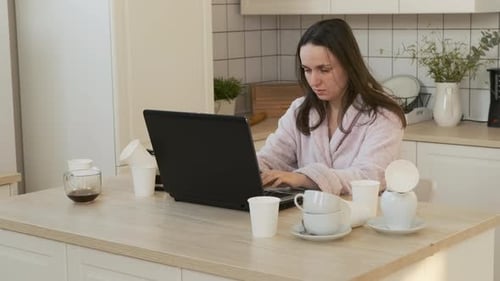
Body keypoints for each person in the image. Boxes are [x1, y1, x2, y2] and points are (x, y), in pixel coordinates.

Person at [257, 18, 407, 195]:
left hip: (363, 216)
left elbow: (369, 176)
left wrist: (305, 178)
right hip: (310, 215)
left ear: (349, 65)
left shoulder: (383, 115)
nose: (314, 81)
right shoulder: (300, 111)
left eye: (324, 70)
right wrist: (251, 169)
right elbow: (271, 158)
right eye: (307, 70)